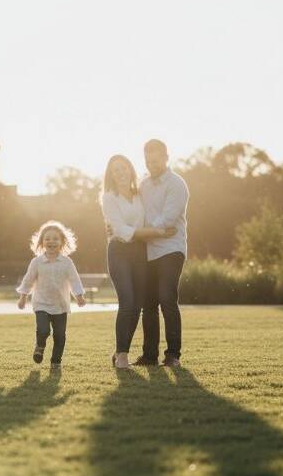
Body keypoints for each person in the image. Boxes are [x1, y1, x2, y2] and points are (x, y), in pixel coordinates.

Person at [101, 155, 176, 369]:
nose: (121, 173)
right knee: (126, 301)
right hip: (119, 252)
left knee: (137, 305)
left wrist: (153, 231)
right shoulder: (109, 197)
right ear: (111, 175)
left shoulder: (140, 194)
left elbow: (148, 216)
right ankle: (123, 355)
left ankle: (118, 350)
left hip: (140, 252)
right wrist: (159, 232)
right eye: (116, 170)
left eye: (124, 168)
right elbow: (121, 231)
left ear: (131, 170)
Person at [133, 139, 189, 368]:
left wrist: (140, 233)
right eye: (147, 160)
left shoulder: (177, 184)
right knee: (149, 304)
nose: (151, 164)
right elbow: (140, 216)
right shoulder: (143, 185)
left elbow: (167, 220)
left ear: (166, 157)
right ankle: (149, 356)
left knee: (167, 298)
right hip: (149, 250)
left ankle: (173, 355)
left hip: (172, 248)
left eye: (155, 160)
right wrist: (142, 233)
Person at [17, 220, 86, 366]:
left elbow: (74, 280)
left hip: (60, 305)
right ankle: (40, 346)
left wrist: (79, 296)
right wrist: (23, 297)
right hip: (41, 303)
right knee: (43, 330)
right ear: (42, 242)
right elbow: (28, 280)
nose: (51, 241)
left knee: (60, 336)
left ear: (62, 242)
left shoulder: (67, 262)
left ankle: (56, 362)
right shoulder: (37, 262)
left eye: (55, 239)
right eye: (47, 238)